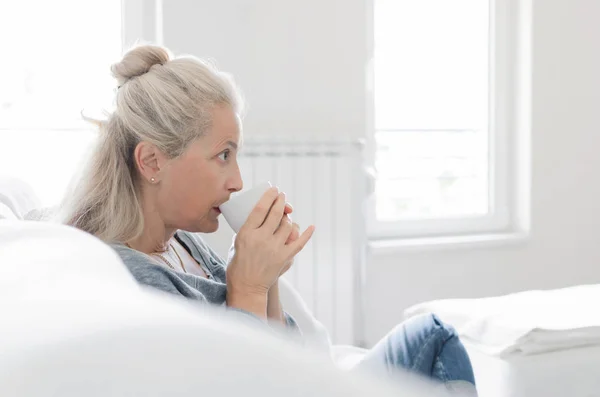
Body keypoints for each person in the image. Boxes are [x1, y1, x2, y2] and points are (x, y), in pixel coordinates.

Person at [60, 44, 476, 395]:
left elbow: (283, 358)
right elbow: (239, 385)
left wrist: (269, 277)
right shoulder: (130, 278)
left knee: (433, 332)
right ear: (152, 160)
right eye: (224, 155)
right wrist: (248, 285)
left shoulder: (182, 242)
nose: (237, 180)